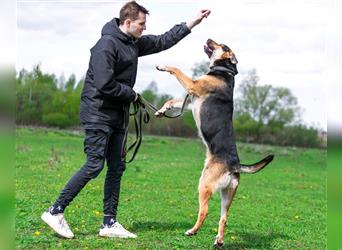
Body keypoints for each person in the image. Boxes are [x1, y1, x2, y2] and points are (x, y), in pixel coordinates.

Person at [41, 1, 210, 239]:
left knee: (117, 167)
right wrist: (132, 94)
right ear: (127, 22)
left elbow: (163, 40)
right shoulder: (106, 45)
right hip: (97, 113)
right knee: (94, 165)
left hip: (117, 115)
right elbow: (104, 83)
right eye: (141, 24)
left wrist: (193, 21)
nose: (144, 28)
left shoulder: (133, 43)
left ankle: (109, 223)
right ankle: (55, 211)